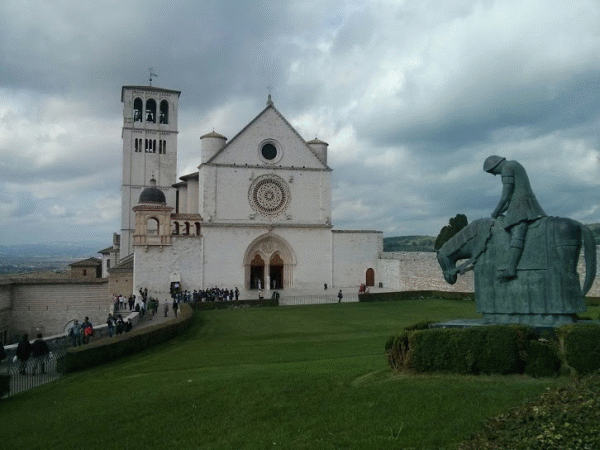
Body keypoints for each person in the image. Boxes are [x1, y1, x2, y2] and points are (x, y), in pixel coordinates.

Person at [484, 156, 547, 282]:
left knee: (517, 234)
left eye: (492, 172)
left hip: (521, 205)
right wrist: (499, 212)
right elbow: (510, 197)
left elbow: (506, 194)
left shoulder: (507, 168)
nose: (494, 175)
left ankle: (511, 268)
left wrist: (496, 211)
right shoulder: (513, 165)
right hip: (521, 202)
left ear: (495, 165)